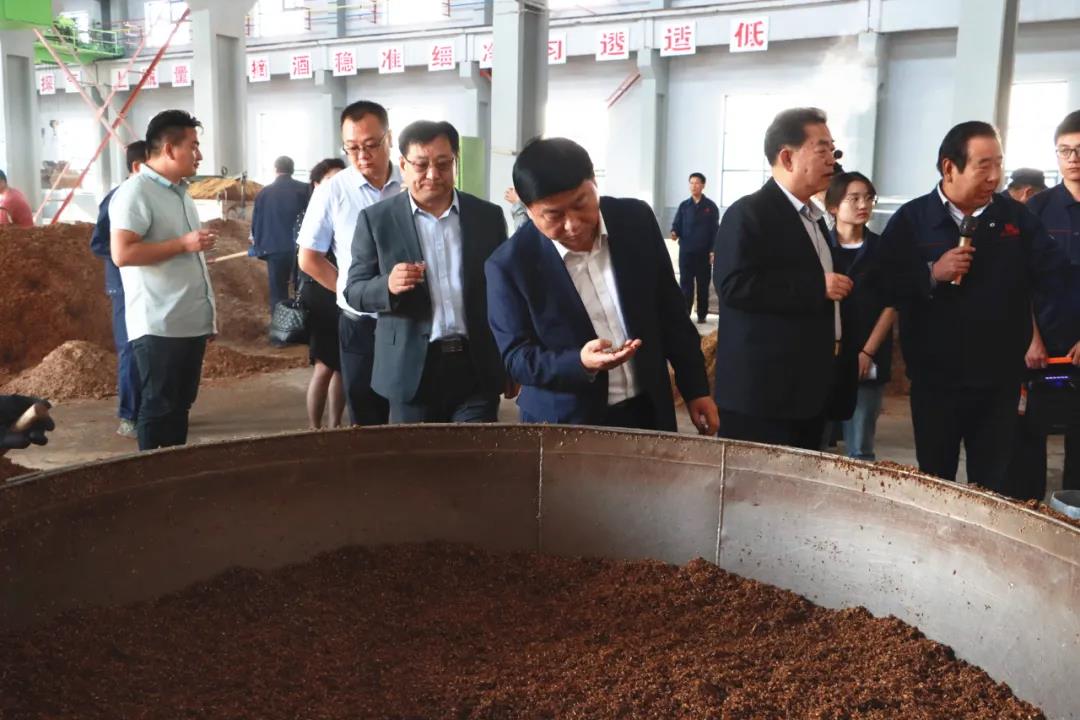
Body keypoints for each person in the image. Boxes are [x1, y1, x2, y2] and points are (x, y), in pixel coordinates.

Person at [879, 120, 1066, 495]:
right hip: (935, 382)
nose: (995, 176)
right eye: (984, 166)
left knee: (993, 484)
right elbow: (882, 284)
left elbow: (1054, 276)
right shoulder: (912, 220)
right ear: (949, 167)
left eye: (999, 164)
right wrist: (932, 273)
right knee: (936, 482)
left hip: (998, 383)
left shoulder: (1016, 219)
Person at [485, 137, 718, 434]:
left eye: (580, 204)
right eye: (554, 215)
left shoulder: (635, 221)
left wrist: (696, 389)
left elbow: (671, 313)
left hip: (648, 410)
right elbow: (517, 358)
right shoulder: (510, 265)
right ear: (527, 208)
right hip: (567, 424)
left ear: (594, 182)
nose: (573, 224)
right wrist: (579, 362)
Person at [345, 120, 510, 423]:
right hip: (410, 371)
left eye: (443, 164)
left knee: (477, 451)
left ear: (455, 162)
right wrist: (387, 285)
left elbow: (505, 294)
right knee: (417, 454)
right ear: (403, 165)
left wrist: (509, 361)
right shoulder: (377, 220)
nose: (433, 175)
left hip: (475, 365)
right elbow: (354, 291)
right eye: (421, 165)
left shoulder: (487, 217)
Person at [713, 107, 854, 450]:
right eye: (822, 150)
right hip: (762, 397)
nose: (832, 160)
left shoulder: (814, 218)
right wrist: (816, 287)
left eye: (833, 150)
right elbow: (733, 285)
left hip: (806, 391)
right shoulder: (749, 213)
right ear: (787, 157)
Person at [109, 110, 218, 451]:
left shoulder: (180, 192)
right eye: (193, 146)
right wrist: (183, 244)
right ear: (170, 149)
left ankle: (174, 472)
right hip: (160, 324)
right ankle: (152, 478)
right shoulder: (135, 192)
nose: (199, 155)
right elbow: (122, 253)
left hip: (186, 322)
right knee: (159, 409)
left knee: (178, 407)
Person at [297, 100, 398, 426]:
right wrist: (352, 291)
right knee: (366, 415)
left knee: (411, 411)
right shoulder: (333, 191)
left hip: (409, 320)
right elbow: (309, 258)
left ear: (389, 138)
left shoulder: (411, 184)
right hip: (360, 324)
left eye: (371, 145)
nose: (362, 155)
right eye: (352, 148)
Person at [1008, 110, 1080, 500]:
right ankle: (1029, 513)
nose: (1073, 158)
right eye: (1064, 150)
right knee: (1026, 443)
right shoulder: (1035, 210)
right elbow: (1018, 280)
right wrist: (1030, 337)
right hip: (1038, 349)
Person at [824, 171, 894, 461]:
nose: (863, 204)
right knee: (814, 445)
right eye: (853, 198)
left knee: (861, 449)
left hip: (868, 358)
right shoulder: (820, 247)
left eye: (868, 198)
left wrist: (867, 353)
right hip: (824, 357)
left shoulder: (883, 249)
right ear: (833, 206)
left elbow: (891, 305)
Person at [89, 140, 147, 438]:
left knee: (153, 348)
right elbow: (99, 243)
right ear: (137, 166)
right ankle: (130, 416)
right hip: (124, 285)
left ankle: (151, 411)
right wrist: (132, 256)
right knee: (131, 349)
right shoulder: (117, 198)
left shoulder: (156, 196)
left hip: (150, 283)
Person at [298, 158, 347, 429]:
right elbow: (307, 261)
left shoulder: (345, 208)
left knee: (341, 366)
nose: (336, 186)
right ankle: (314, 428)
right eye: (330, 180)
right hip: (321, 295)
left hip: (345, 297)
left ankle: (335, 425)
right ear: (316, 184)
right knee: (324, 365)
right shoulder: (309, 216)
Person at [250, 155, 310, 322]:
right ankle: (304, 327)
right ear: (292, 170)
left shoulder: (264, 193)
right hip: (301, 250)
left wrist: (258, 244)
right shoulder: (305, 189)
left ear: (275, 169)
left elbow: (256, 222)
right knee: (303, 289)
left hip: (274, 248)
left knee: (278, 292)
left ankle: (280, 329)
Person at [670, 172, 720, 323]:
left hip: (703, 254)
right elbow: (676, 225)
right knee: (686, 285)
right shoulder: (684, 206)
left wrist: (713, 251)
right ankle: (685, 314)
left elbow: (715, 231)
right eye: (691, 183)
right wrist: (674, 232)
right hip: (686, 253)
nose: (693, 186)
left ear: (703, 185)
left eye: (697, 183)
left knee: (703, 285)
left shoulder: (710, 207)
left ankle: (702, 315)